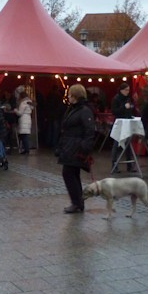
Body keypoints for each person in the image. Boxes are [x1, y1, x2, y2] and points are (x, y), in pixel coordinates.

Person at [56, 84, 96, 214]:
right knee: (72, 174)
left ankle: (77, 202)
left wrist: (84, 147)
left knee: (68, 173)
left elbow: (89, 131)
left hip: (76, 147)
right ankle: (78, 202)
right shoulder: (73, 109)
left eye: (70, 95)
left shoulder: (84, 111)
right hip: (69, 145)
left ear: (75, 96)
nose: (68, 97)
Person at [110, 82, 135, 172]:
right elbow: (114, 111)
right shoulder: (116, 99)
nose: (127, 92)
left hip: (127, 122)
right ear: (121, 90)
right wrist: (124, 107)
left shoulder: (128, 98)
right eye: (126, 90)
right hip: (119, 124)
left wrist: (130, 108)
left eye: (128, 90)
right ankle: (114, 165)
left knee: (128, 145)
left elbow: (130, 107)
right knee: (116, 145)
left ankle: (130, 165)